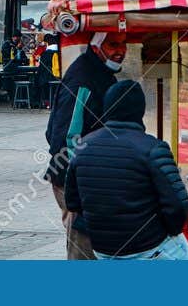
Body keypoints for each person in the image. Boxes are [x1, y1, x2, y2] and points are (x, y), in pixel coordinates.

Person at [64, 79, 188, 260]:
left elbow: (72, 202)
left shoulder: (82, 146)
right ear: (140, 111)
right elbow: (179, 206)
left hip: (103, 250)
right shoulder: (153, 148)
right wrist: (168, 231)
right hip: (149, 248)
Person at [44, 32, 127, 259]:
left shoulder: (100, 72)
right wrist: (82, 180)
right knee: (83, 245)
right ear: (96, 46)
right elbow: (66, 136)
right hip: (75, 179)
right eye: (113, 45)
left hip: (86, 176)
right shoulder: (84, 78)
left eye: (123, 44)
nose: (120, 51)